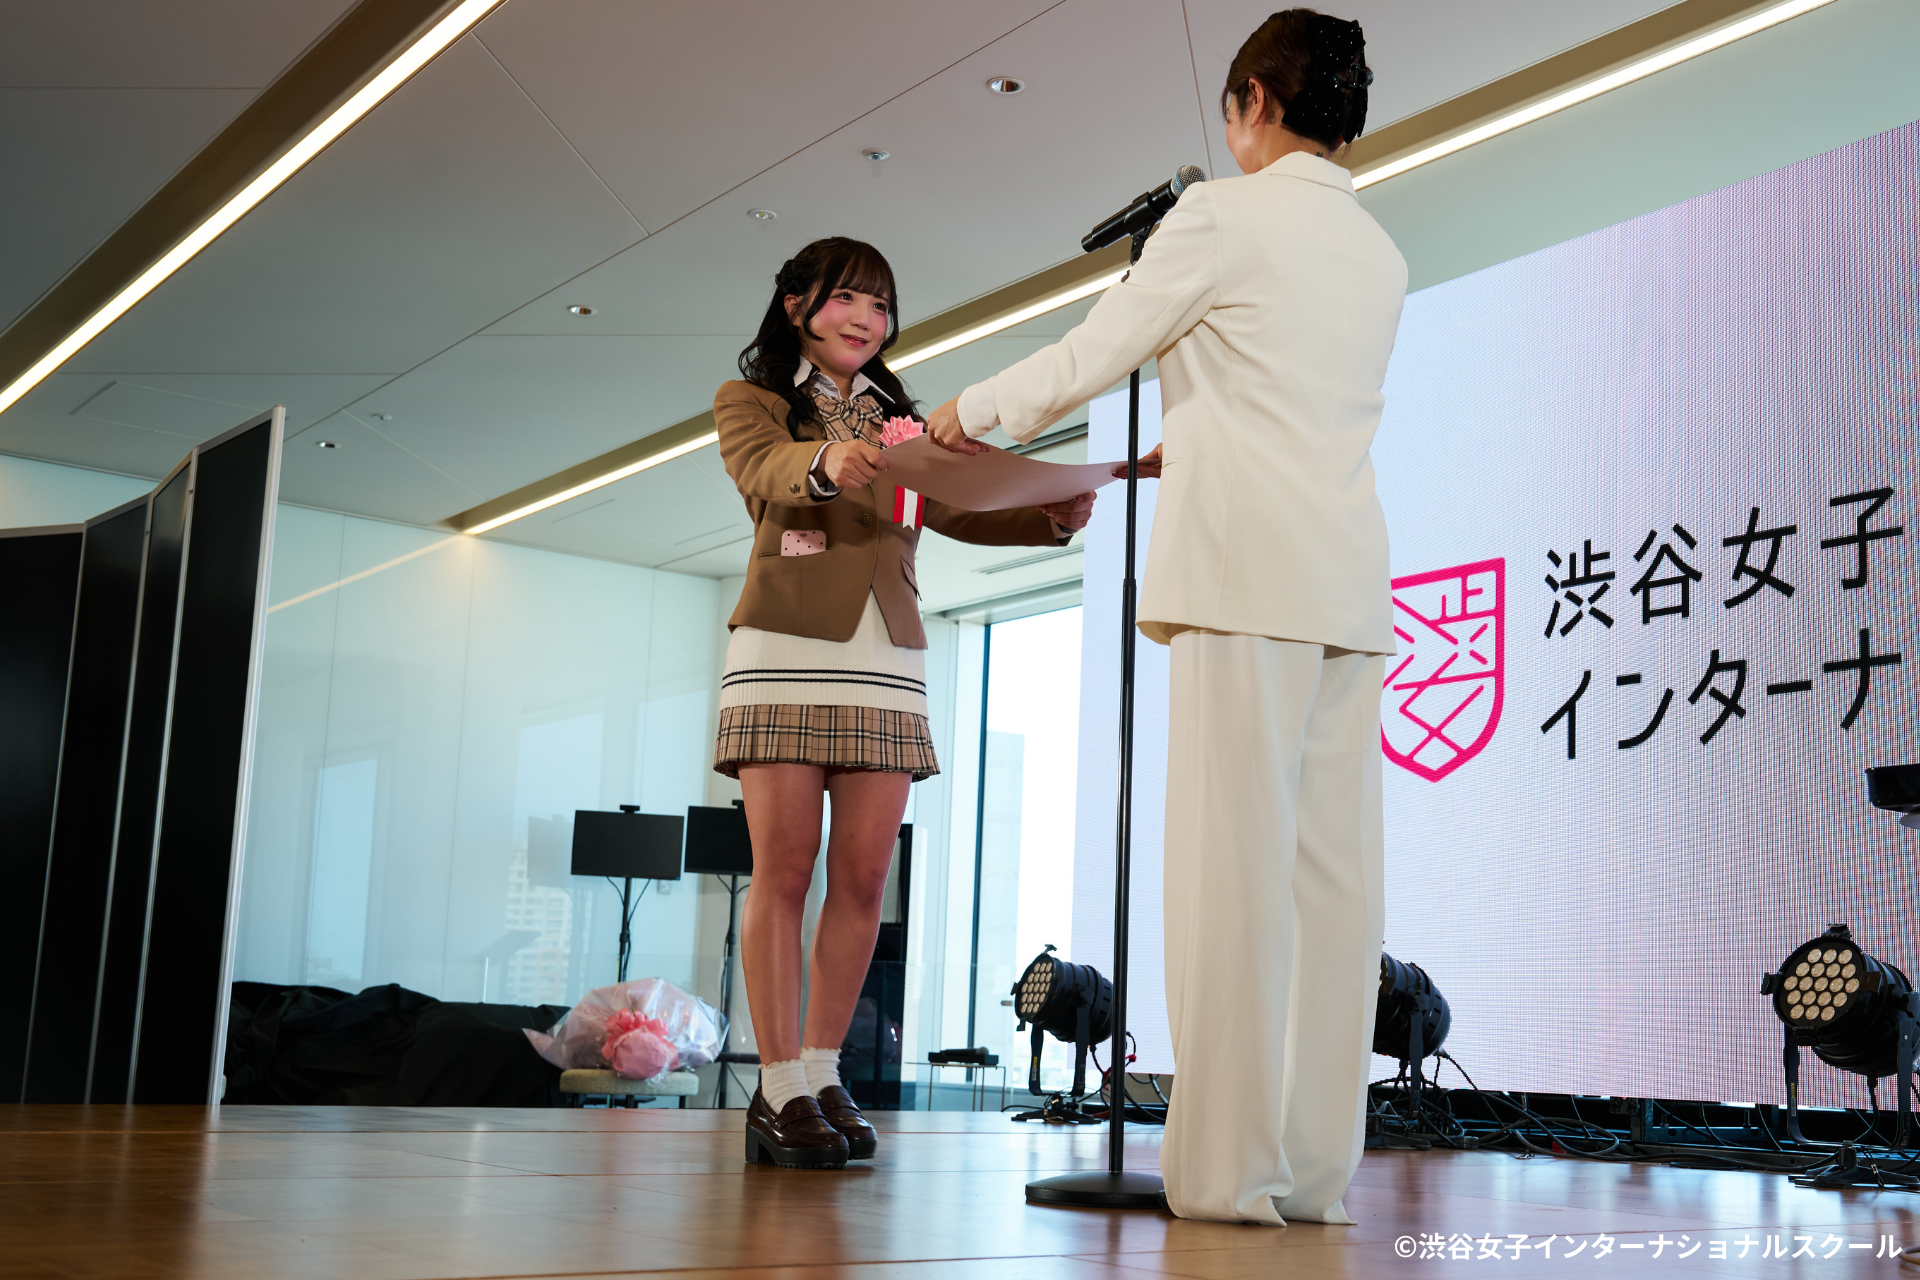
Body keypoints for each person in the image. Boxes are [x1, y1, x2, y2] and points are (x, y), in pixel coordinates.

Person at [927, 11, 1405, 1225]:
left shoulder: (1221, 218)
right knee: (1335, 889)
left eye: (1232, 106)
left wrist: (968, 410)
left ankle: (1229, 1173)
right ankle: (1314, 1171)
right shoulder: (1378, 250)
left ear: (1255, 101)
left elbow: (1098, 348)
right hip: (1348, 585)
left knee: (1229, 878)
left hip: (1243, 577)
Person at [714, 237, 1097, 1168]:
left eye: (881, 306)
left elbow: (957, 504)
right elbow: (763, 467)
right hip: (785, 648)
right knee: (785, 871)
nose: (867, 319)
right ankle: (776, 1085)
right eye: (848, 298)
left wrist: (1048, 514)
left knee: (864, 880)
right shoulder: (753, 399)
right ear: (798, 305)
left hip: (888, 654)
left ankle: (821, 1070)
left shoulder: (901, 419)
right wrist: (826, 462)